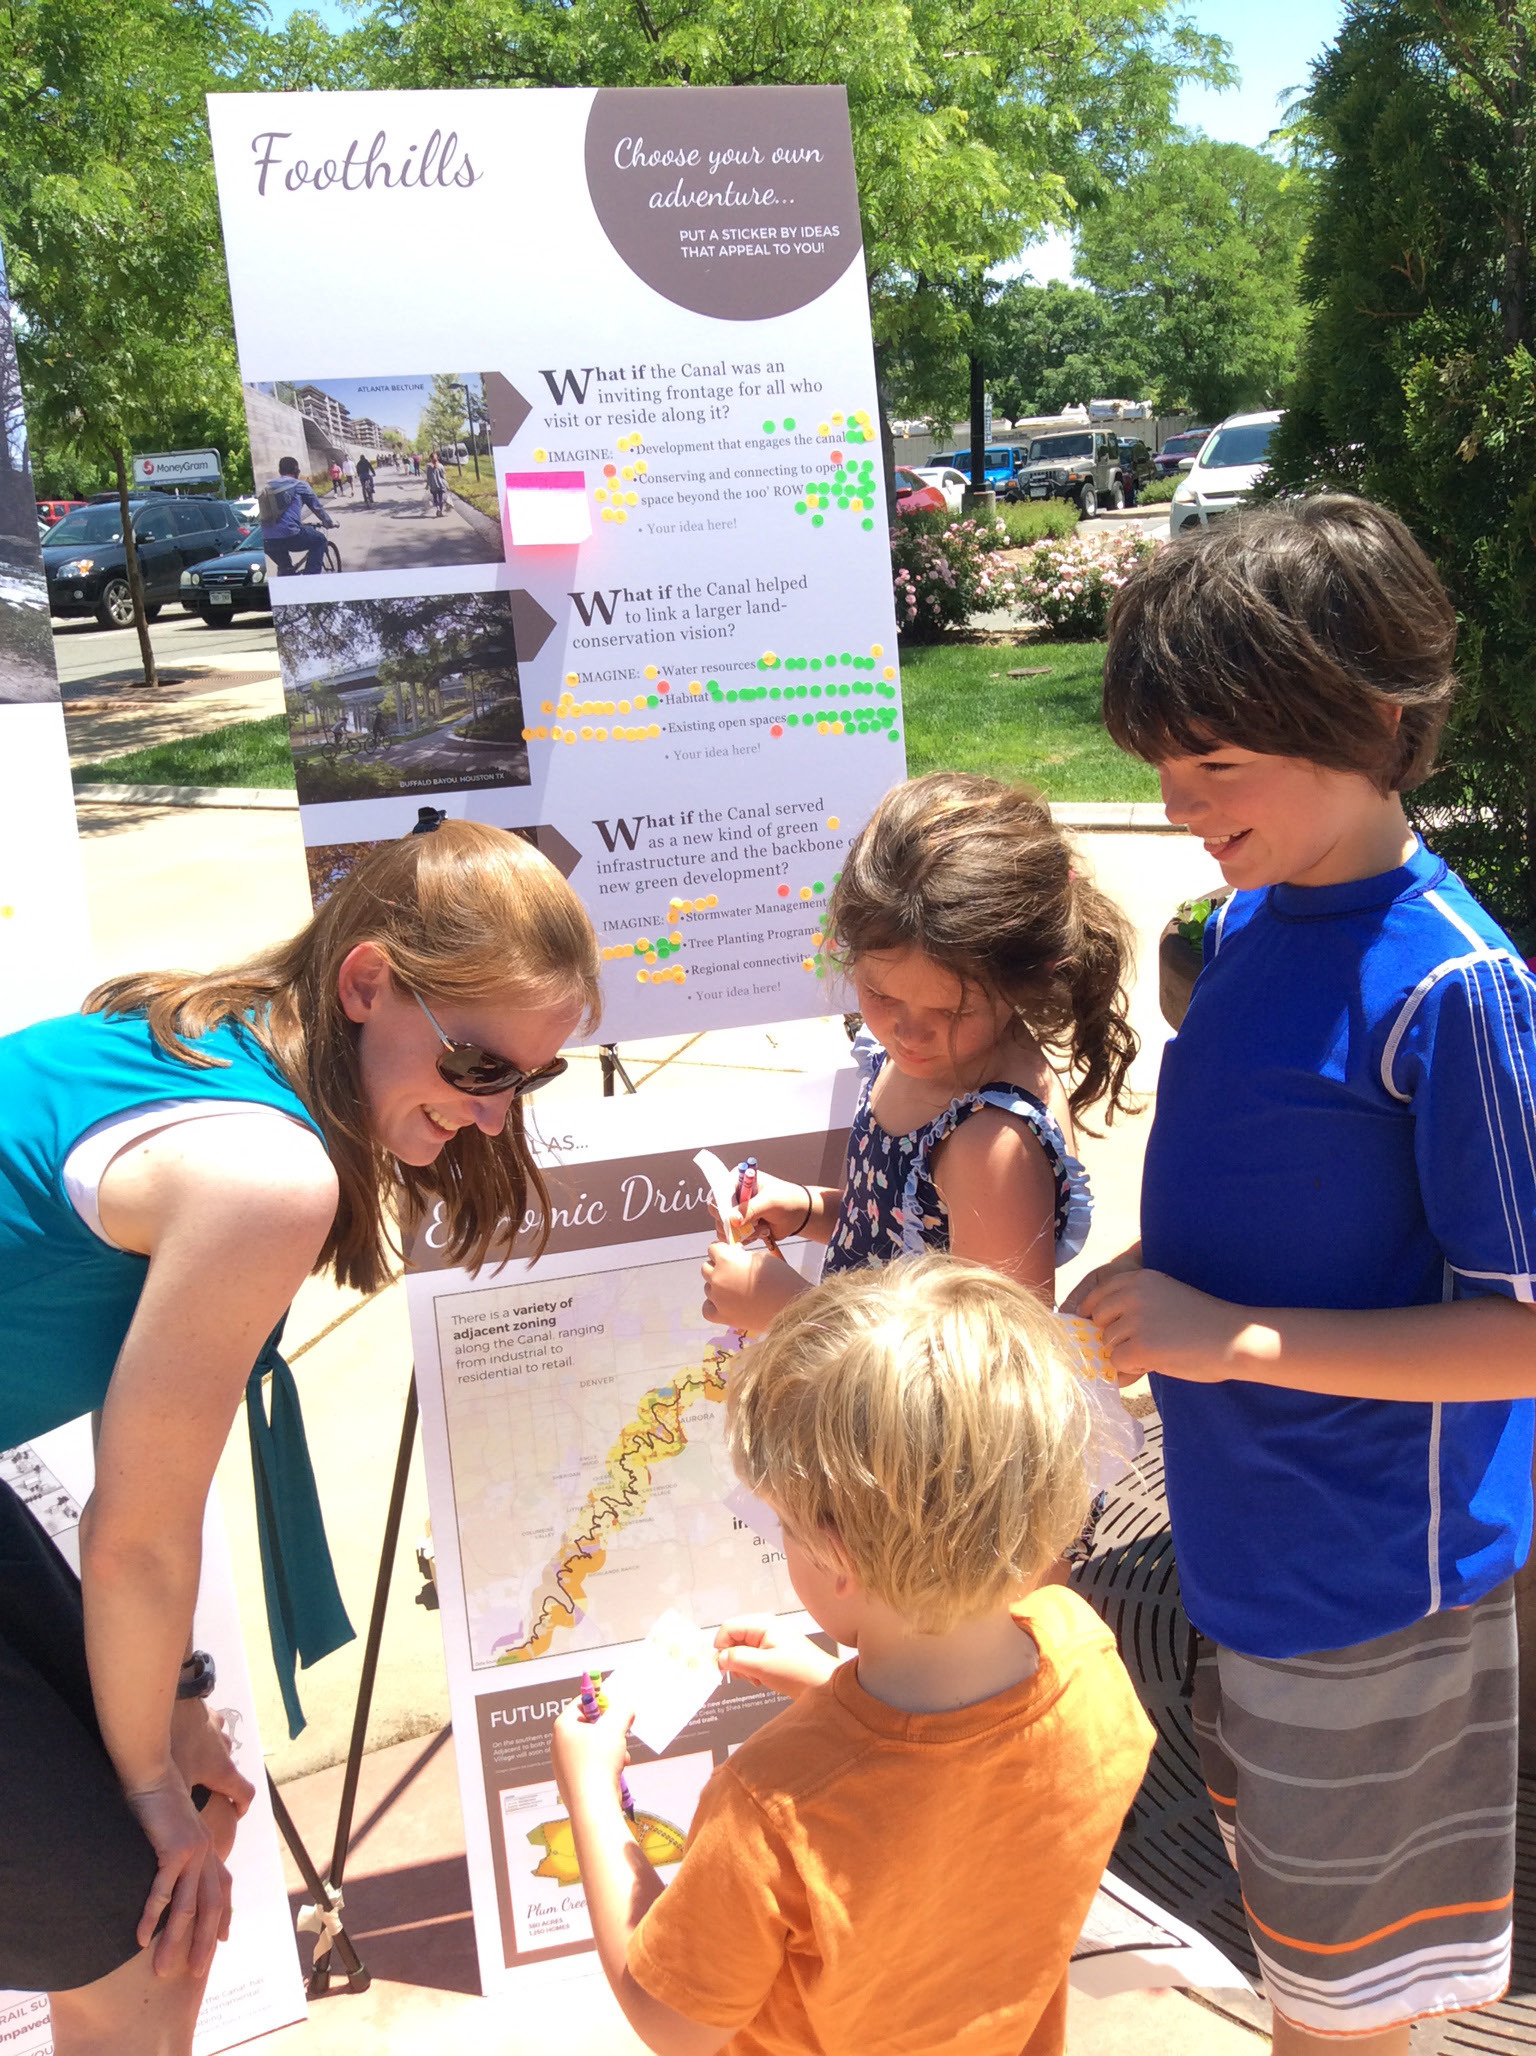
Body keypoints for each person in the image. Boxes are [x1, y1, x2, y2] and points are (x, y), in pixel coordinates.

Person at [0, 822, 598, 2056]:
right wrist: (151, 1781)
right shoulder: (265, 1171)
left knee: (152, 1917)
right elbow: (136, 1538)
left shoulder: (205, 1035)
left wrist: (164, 1718)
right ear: (367, 981)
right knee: (136, 1927)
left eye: (528, 1080)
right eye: (481, 1063)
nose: (495, 1117)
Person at [1072, 496, 1536, 2054]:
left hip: (1375, 1596)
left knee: (1349, 2012)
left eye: (1216, 760)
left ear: (1376, 722)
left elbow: (1519, 1343)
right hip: (1253, 1556)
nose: (1175, 798)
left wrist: (1230, 1338)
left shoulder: (1459, 990)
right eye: (1162, 757)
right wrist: (1150, 1288)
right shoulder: (1255, 921)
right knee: (1304, 1974)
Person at [553, 1256, 1154, 2056]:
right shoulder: (1086, 1652)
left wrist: (592, 1794)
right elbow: (955, 1805)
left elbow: (673, 2020)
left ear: (838, 1560)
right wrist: (833, 1689)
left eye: (784, 1531)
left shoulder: (770, 1806)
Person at [700, 772, 1136, 1325]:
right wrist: (808, 1208)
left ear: (1023, 980)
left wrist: (793, 1313)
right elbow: (898, 1235)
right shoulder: (911, 1061)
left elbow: (996, 1364)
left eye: (951, 1012)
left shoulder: (993, 1145)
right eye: (880, 994)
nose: (907, 1032)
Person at [258, 456, 335, 576]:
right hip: (290, 535)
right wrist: (328, 522)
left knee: (286, 568)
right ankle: (310, 580)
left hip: (266, 540)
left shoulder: (268, 487)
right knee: (320, 540)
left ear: (280, 471)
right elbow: (317, 508)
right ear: (297, 471)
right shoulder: (300, 485)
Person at [426, 450, 447, 515]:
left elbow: (428, 477)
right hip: (441, 485)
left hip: (433, 486)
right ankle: (440, 511)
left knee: (435, 499)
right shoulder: (441, 466)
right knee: (441, 499)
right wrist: (447, 485)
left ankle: (438, 508)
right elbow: (443, 477)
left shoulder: (429, 467)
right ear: (438, 458)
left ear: (430, 458)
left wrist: (427, 485)